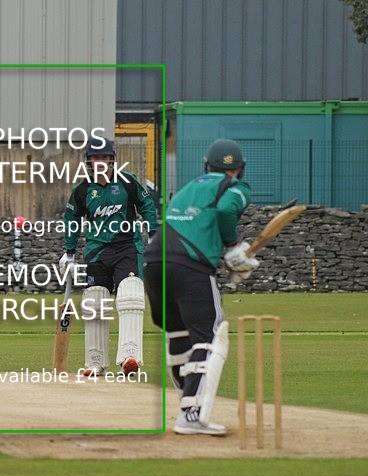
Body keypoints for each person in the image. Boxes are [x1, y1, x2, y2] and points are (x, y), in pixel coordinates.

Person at [143, 138, 259, 436]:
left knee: (179, 333)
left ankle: (186, 402)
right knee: (211, 334)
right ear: (240, 170)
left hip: (155, 262)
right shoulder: (235, 187)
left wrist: (223, 259)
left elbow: (192, 226)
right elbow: (224, 211)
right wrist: (234, 247)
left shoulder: (189, 187)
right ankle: (191, 415)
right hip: (189, 266)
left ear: (207, 165)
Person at [59, 137, 158, 377]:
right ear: (89, 162)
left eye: (105, 157)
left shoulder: (127, 182)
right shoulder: (82, 191)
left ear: (112, 160)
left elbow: (147, 206)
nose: (100, 162)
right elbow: (72, 220)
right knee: (94, 302)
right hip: (96, 252)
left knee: (131, 295)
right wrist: (69, 252)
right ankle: (95, 361)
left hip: (127, 249)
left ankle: (129, 356)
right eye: (95, 158)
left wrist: (153, 234)